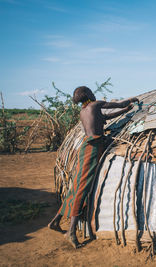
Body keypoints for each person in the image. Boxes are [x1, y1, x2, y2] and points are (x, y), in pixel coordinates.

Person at [48, 86, 139, 248]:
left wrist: (126, 110)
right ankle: (71, 232)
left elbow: (106, 117)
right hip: (93, 148)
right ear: (88, 94)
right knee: (82, 187)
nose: (93, 93)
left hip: (87, 147)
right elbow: (117, 105)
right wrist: (130, 101)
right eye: (90, 92)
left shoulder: (85, 110)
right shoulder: (95, 105)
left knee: (76, 185)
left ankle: (55, 221)